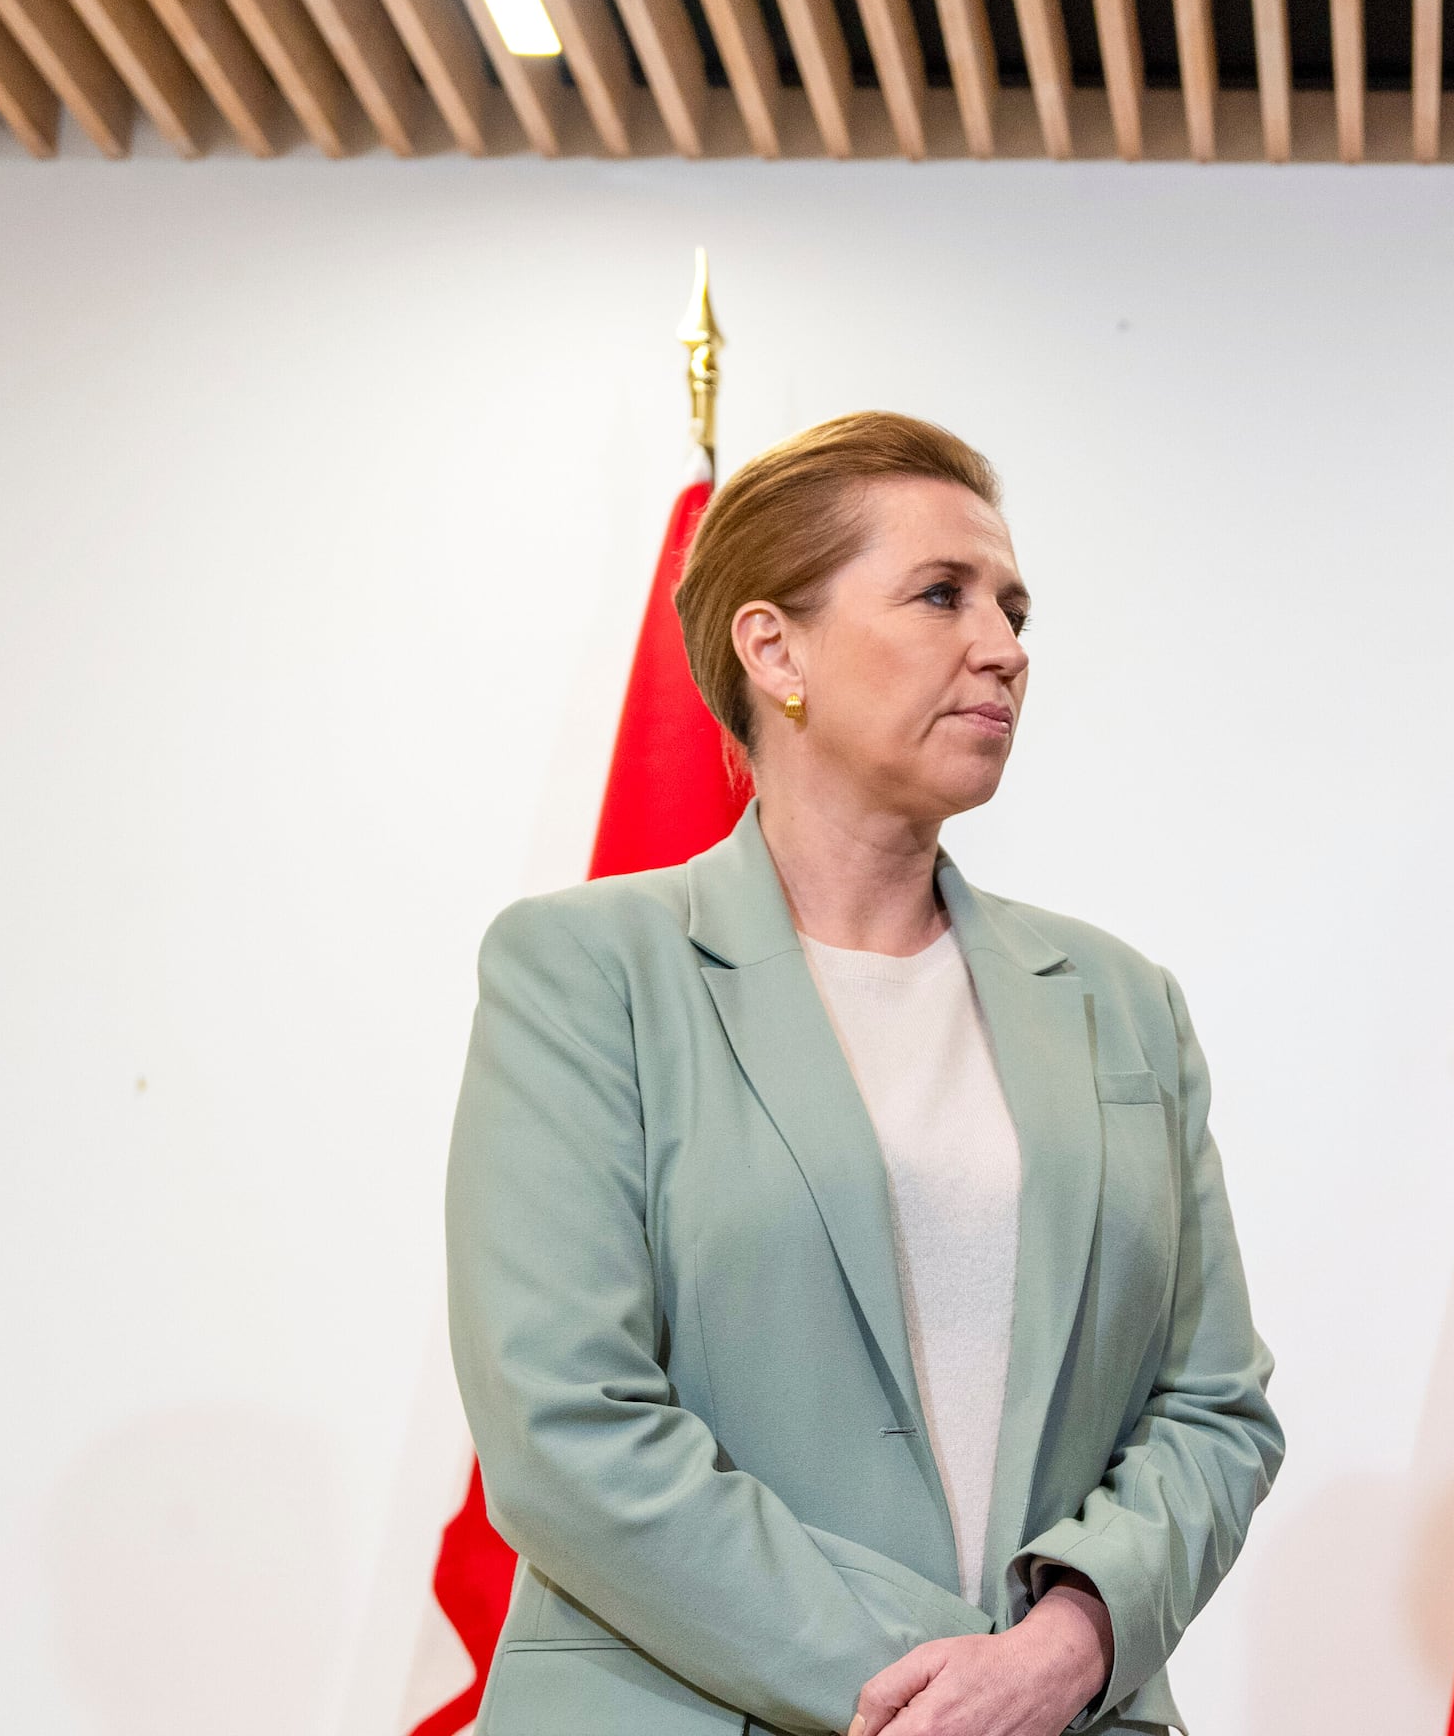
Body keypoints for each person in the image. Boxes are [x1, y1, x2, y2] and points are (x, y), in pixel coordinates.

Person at [446, 413, 1280, 1736]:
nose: (1004, 647)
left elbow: (1213, 1409)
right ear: (774, 647)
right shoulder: (586, 971)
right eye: (942, 595)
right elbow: (566, 1429)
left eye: (1013, 607)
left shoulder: (1124, 1005)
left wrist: (1066, 1649)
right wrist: (951, 1692)